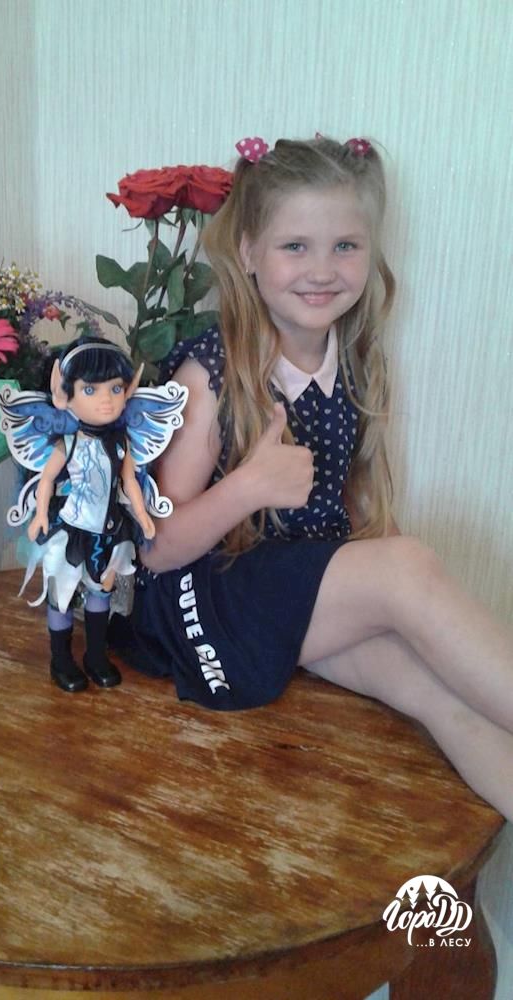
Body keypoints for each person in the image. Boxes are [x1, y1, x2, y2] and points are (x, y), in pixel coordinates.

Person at [125, 135, 513, 821]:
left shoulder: (355, 360)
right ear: (248, 252)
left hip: (293, 599)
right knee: (409, 567)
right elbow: (156, 548)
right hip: (206, 604)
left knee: (443, 698)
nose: (322, 270)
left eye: (346, 246)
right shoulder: (211, 371)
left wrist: (395, 594)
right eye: (296, 246)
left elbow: (356, 510)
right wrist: (248, 486)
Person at [0, 336, 186, 694]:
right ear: (63, 395)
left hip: (110, 531)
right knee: (63, 594)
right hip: (70, 530)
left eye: (116, 388)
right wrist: (40, 515)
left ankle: (96, 655)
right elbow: (47, 480)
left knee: (101, 593)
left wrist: (143, 515)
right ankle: (60, 658)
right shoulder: (67, 443)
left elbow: (129, 482)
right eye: (90, 389)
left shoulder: (120, 443)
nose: (106, 399)